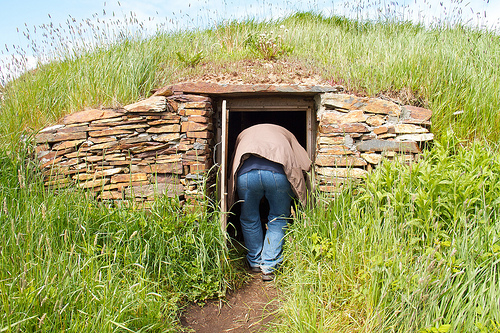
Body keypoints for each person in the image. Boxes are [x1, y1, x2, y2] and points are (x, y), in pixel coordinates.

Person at [228, 124, 311, 281]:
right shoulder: (286, 133)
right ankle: (269, 266)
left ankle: (255, 261)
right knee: (278, 217)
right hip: (278, 174)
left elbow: (234, 159)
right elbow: (304, 161)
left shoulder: (243, 134)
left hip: (246, 175)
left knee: (248, 217)